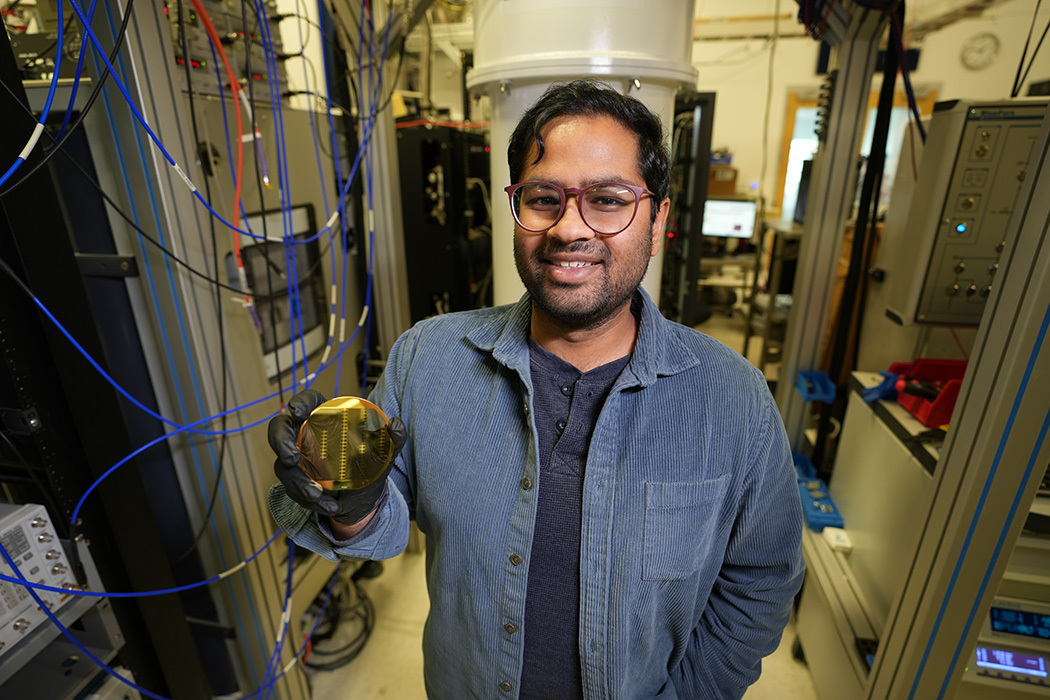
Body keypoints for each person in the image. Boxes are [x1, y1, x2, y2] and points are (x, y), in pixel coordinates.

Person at [269, 79, 805, 700]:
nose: (568, 229)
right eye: (544, 198)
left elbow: (760, 581)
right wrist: (350, 503)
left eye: (608, 200)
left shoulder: (729, 397)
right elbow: (383, 527)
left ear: (658, 219)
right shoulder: (431, 356)